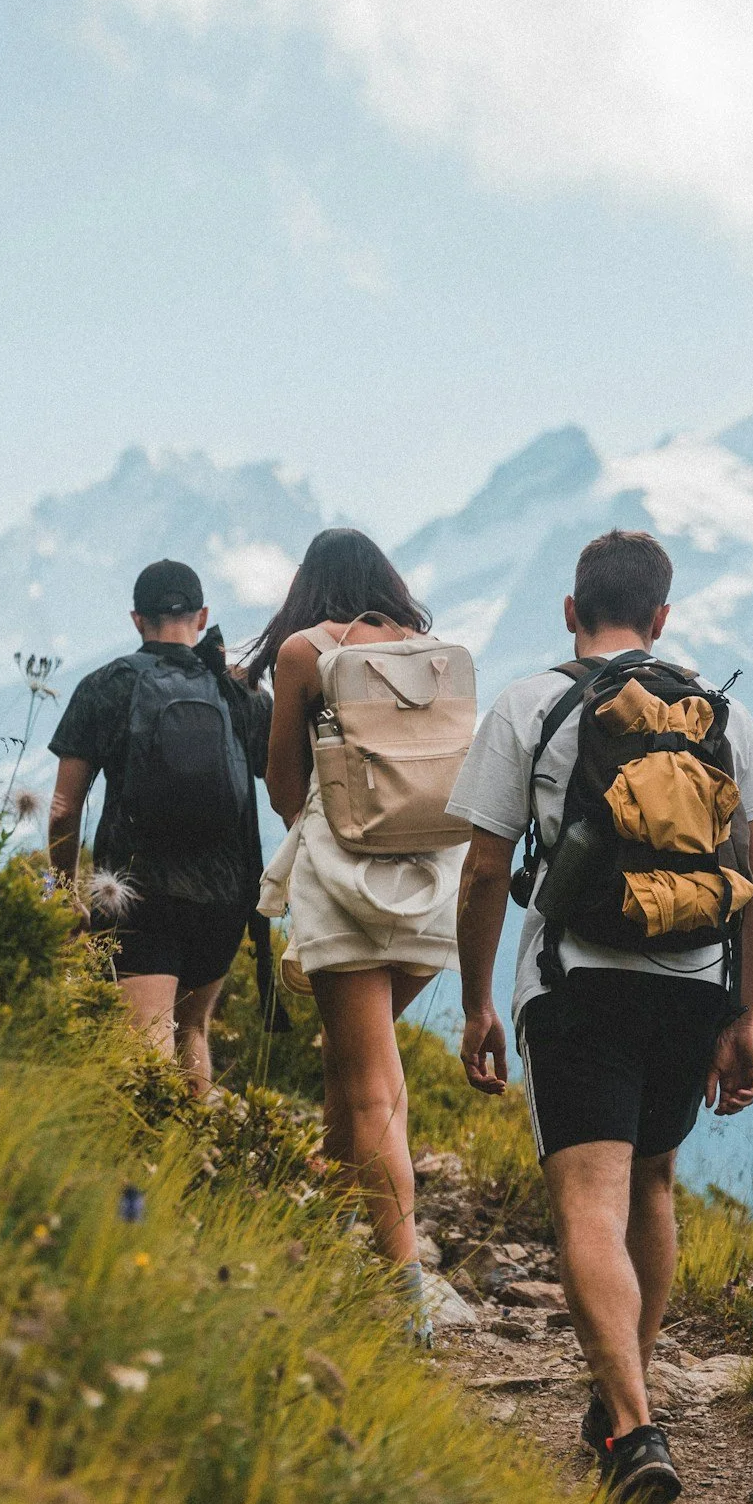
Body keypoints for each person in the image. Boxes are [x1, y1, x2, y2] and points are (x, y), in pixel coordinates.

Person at [448, 528, 753, 1504]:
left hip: (579, 983)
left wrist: (476, 1000)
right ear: (660, 618)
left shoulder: (530, 702)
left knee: (586, 1204)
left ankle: (634, 1422)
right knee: (652, 1184)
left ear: (570, 611)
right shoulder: (721, 715)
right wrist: (746, 1015)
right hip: (690, 982)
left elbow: (482, 868)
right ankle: (618, 1404)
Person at [250, 529, 462, 1333]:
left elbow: (282, 781)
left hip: (343, 882)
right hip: (430, 884)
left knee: (370, 1086)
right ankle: (331, 1216)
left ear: (308, 585)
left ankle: (404, 1286)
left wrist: (317, 814)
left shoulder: (304, 652)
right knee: (352, 1065)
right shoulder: (432, 651)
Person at [48, 558, 269, 1091]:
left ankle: (145, 1166)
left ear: (135, 619)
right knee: (192, 1029)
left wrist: (63, 887)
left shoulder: (106, 686)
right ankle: (193, 1164)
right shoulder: (240, 695)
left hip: (135, 892)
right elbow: (287, 790)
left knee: (144, 1042)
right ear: (203, 616)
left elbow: (61, 807)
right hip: (224, 895)